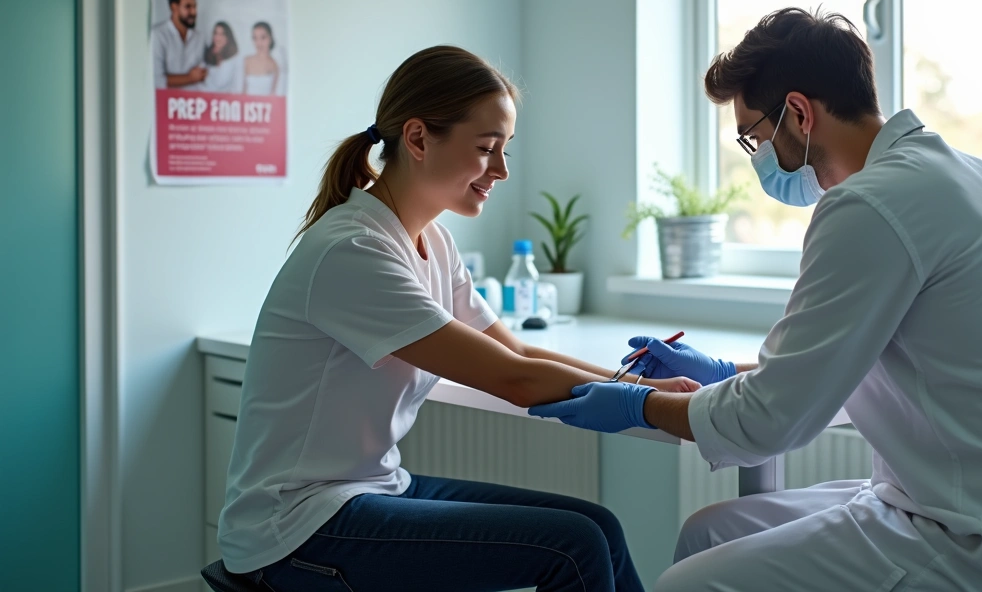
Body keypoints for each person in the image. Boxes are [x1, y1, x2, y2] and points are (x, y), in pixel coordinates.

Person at [530, 7, 982, 592]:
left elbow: (769, 422)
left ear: (800, 113)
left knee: (685, 585)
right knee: (710, 532)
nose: (759, 155)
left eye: (755, 136)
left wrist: (636, 405)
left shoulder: (872, 205)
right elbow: (838, 371)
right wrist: (722, 375)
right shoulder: (966, 175)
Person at [218, 45, 698, 592]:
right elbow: (511, 378)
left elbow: (515, 353)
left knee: (599, 529)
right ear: (419, 138)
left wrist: (637, 383)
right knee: (572, 547)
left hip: (372, 489)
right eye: (487, 148)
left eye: (505, 149)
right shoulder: (352, 249)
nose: (501, 170)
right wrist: (653, 405)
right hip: (298, 526)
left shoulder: (435, 243)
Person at [151, 0, 206, 90]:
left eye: (195, 6)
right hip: (165, 102)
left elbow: (203, 73)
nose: (193, 12)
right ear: (174, 7)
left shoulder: (199, 37)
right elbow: (156, 80)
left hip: (194, 102)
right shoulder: (157, 34)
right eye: (188, 7)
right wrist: (190, 78)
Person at [200, 21, 241, 93]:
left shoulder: (235, 59)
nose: (218, 37)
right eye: (216, 33)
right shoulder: (208, 54)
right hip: (206, 98)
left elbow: (236, 88)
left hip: (226, 100)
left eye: (222, 34)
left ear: (228, 37)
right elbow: (200, 81)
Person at [242, 21, 279, 95]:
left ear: (270, 38)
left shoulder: (274, 65)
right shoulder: (246, 61)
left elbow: (274, 94)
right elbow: (241, 91)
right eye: (255, 38)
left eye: (263, 37)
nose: (258, 42)